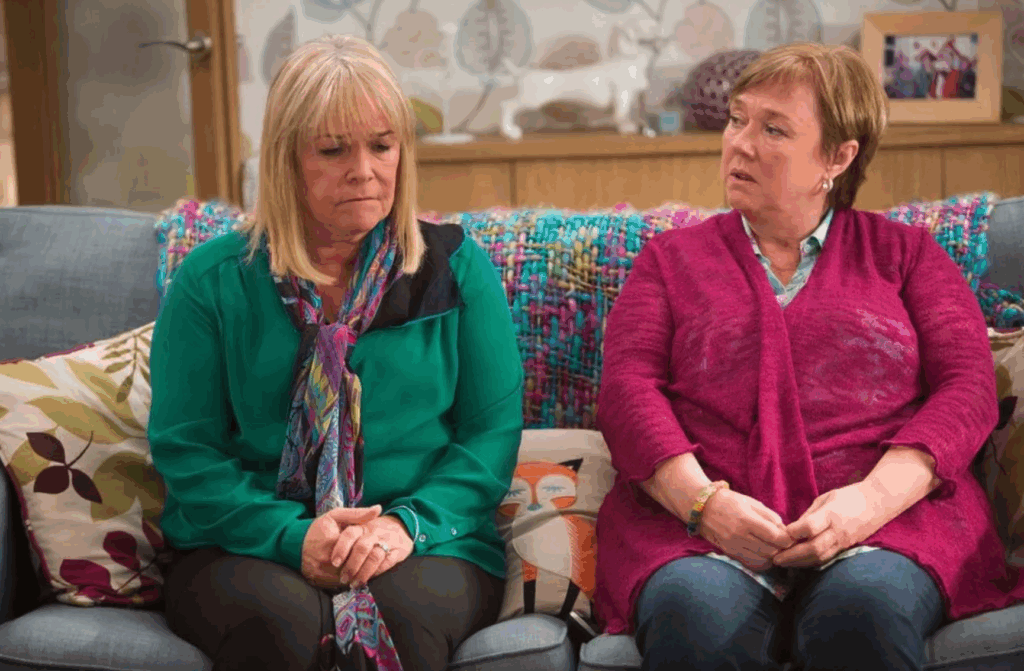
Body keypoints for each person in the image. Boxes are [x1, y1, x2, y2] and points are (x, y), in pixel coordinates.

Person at [594, 42, 1024, 671]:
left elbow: (968, 389)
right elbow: (626, 391)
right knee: (694, 615)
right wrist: (704, 505)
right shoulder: (668, 261)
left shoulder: (907, 255)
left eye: (773, 129)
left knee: (863, 610)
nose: (740, 144)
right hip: (700, 532)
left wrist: (868, 504)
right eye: (737, 120)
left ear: (838, 157)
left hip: (888, 523)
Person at [148, 34, 523, 671]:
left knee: (397, 620)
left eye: (382, 146)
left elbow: (491, 436)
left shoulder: (458, 269)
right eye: (333, 149)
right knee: (285, 622)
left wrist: (403, 527)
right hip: (244, 543)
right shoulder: (212, 281)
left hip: (424, 539)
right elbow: (188, 451)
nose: (364, 170)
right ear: (285, 160)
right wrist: (291, 537)